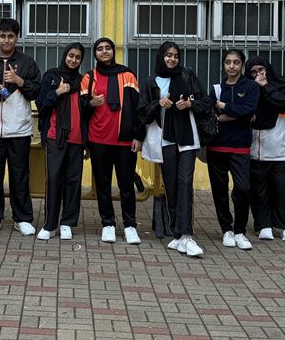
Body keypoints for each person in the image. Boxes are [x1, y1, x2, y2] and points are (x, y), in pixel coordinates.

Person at [139, 41, 207, 257]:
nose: (172, 59)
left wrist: (189, 104)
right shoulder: (151, 81)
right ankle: (178, 235)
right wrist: (158, 103)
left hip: (187, 138)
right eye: (168, 55)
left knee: (185, 182)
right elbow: (142, 113)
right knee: (171, 185)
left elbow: (206, 103)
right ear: (161, 57)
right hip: (164, 139)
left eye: (176, 55)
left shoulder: (187, 76)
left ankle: (186, 235)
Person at [0, 18, 41, 237]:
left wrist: (19, 80)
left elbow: (37, 91)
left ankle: (22, 218)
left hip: (19, 129)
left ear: (17, 38)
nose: (6, 40)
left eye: (11, 36)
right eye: (2, 36)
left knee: (20, 176)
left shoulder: (27, 62)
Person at [81, 38, 145, 245]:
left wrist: (138, 136)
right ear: (95, 53)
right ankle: (107, 224)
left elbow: (139, 108)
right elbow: (80, 108)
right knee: (103, 185)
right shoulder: (89, 77)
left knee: (126, 186)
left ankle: (130, 225)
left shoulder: (128, 75)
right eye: (100, 49)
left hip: (125, 141)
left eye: (108, 48)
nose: (104, 51)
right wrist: (91, 103)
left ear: (113, 51)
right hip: (98, 139)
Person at [207, 48, 261, 250]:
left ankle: (240, 231)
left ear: (242, 65)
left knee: (243, 189)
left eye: (236, 62)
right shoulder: (216, 88)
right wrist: (237, 114)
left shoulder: (251, 87)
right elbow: (210, 116)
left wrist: (222, 106)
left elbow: (248, 111)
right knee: (219, 190)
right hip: (216, 145)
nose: (232, 66)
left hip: (240, 147)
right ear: (223, 65)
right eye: (228, 62)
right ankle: (226, 230)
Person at [35, 43, 86, 241]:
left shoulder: (83, 81)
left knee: (73, 181)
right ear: (65, 55)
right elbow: (41, 104)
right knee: (54, 179)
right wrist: (57, 92)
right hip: (55, 136)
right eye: (71, 55)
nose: (73, 60)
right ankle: (50, 224)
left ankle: (67, 223)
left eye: (78, 57)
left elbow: (86, 111)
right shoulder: (52, 76)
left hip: (77, 138)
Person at [246, 56, 285, 243]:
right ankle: (263, 224)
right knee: (259, 188)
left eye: (261, 70)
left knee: (281, 187)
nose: (258, 75)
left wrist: (266, 86)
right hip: (257, 146)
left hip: (282, 145)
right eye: (253, 72)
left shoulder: (282, 85)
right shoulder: (249, 88)